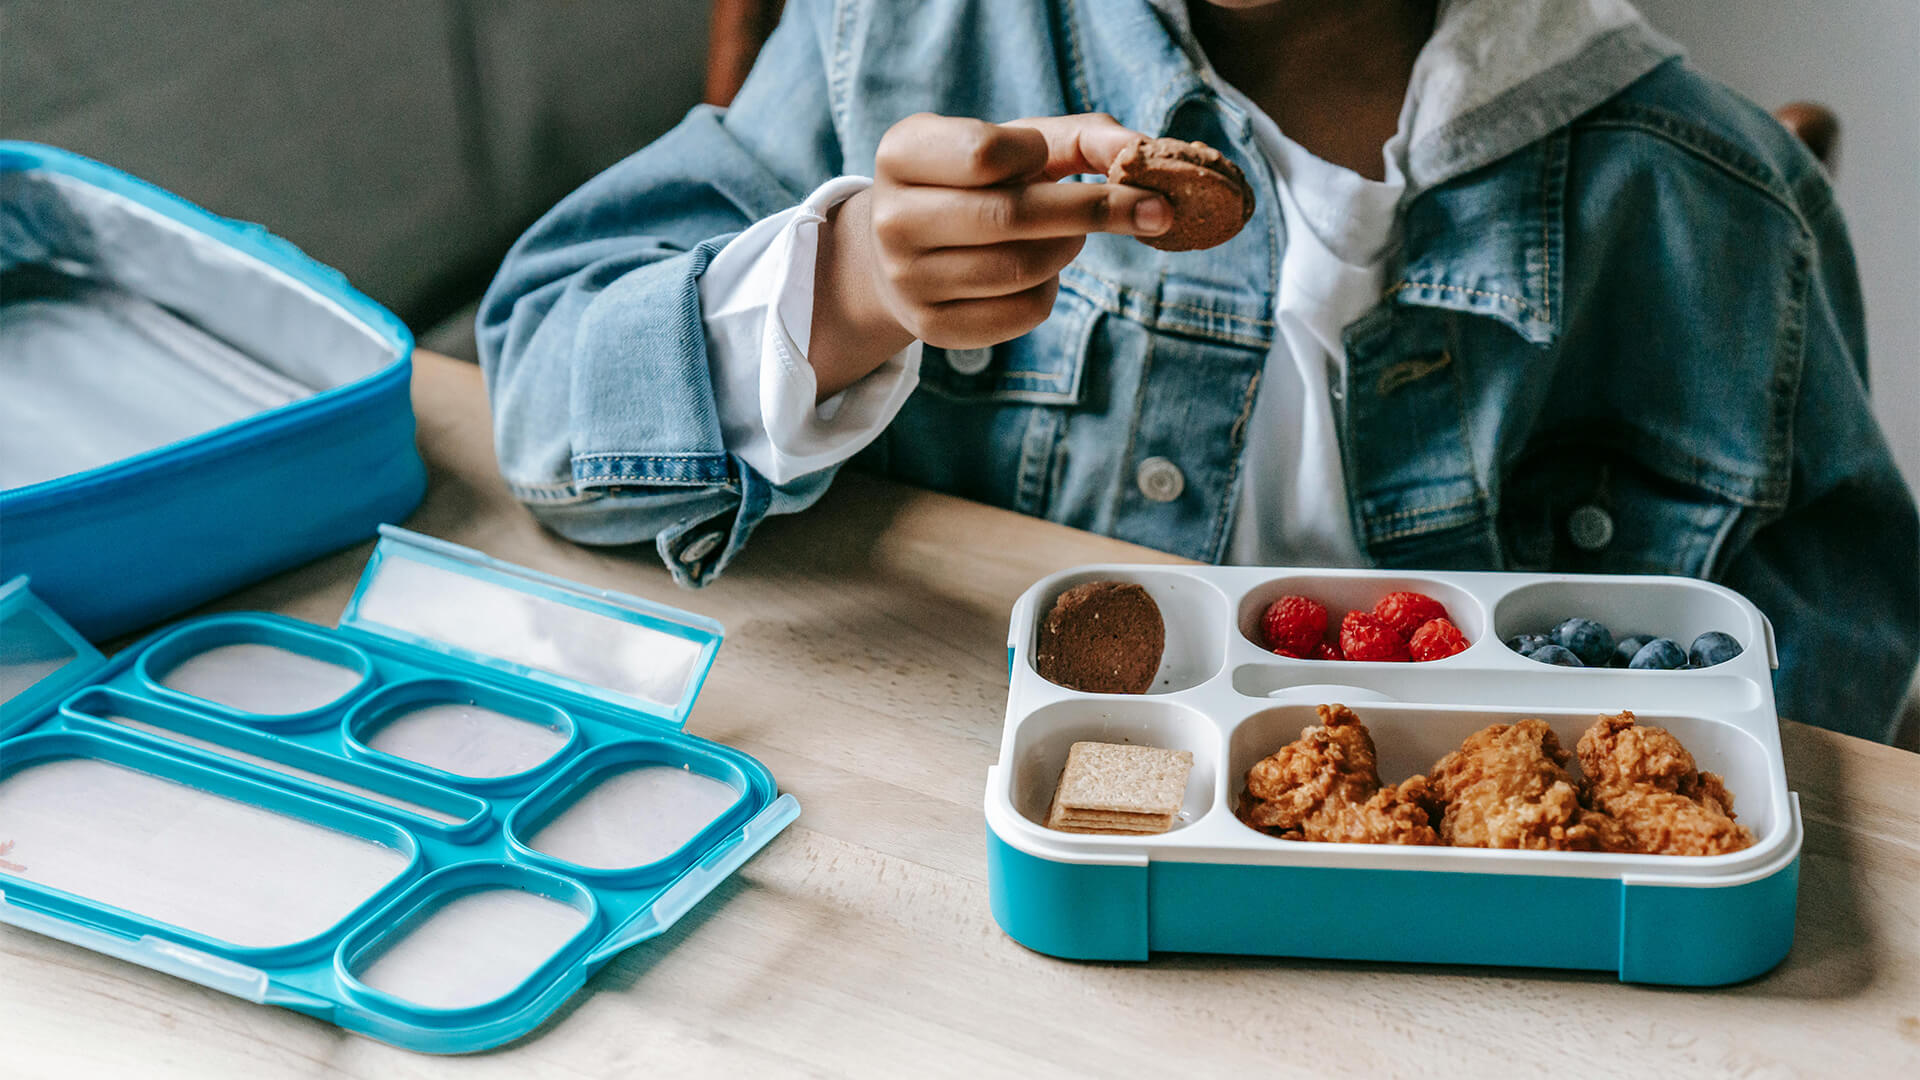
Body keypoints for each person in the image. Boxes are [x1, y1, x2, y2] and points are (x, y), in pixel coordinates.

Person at [477, 0, 1919, 741]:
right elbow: (541, 409)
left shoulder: (1712, 203)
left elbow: (1836, 661)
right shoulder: (905, 45)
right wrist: (845, 285)